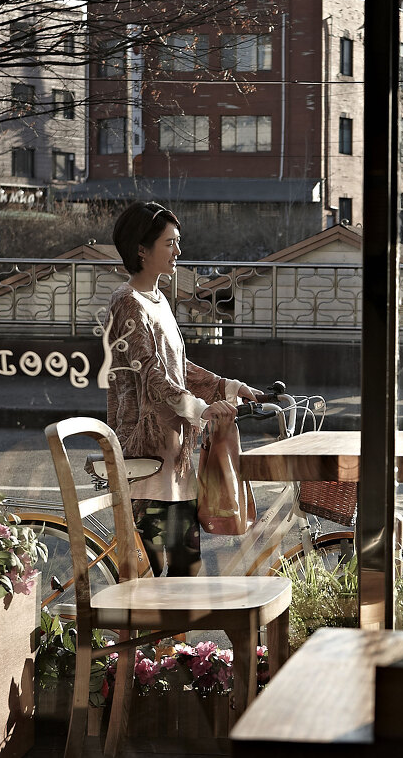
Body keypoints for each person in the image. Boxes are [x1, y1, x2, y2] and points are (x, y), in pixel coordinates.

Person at [106, 201, 259, 576]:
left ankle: (170, 621)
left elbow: (178, 367)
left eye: (177, 241)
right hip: (146, 455)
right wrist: (201, 409)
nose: (178, 250)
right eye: (169, 242)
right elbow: (151, 373)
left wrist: (227, 386)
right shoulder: (128, 303)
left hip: (172, 453)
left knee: (185, 566)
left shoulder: (157, 299)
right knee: (153, 571)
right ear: (142, 250)